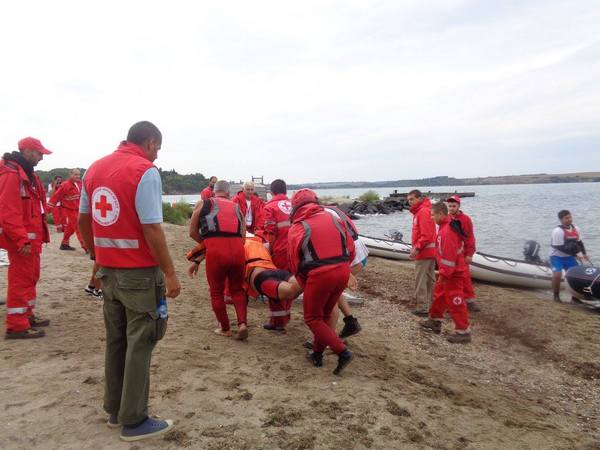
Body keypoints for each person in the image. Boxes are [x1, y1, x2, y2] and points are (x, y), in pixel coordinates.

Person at [78, 121, 181, 441]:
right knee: (141, 342)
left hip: (108, 272)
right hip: (138, 274)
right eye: (157, 149)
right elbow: (151, 228)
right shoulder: (144, 171)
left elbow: (83, 219)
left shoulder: (93, 169)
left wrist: (96, 255)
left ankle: (114, 409)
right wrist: (170, 272)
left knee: (117, 340)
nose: (156, 157)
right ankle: (134, 420)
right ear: (150, 143)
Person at [288, 189, 356, 375]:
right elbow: (350, 248)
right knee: (325, 315)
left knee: (312, 318)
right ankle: (317, 354)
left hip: (319, 275)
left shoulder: (298, 226)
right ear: (315, 201)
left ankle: (342, 352)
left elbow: (294, 262)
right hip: (341, 270)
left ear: (295, 207)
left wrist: (304, 282)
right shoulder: (333, 218)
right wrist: (344, 268)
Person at [186, 237, 303, 331]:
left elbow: (202, 249)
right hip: (276, 271)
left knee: (291, 292)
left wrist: (195, 260)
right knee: (303, 285)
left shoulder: (234, 242)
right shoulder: (258, 241)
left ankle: (227, 328)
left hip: (259, 276)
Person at [0, 137, 52, 339]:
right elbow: (7, 212)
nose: (41, 158)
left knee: (31, 277)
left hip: (31, 239)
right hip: (23, 240)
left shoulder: (28, 175)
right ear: (27, 151)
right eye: (39, 153)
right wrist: (22, 239)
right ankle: (17, 325)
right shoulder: (11, 175)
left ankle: (27, 315)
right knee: (21, 281)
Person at [189, 180, 248, 340]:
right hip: (238, 250)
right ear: (229, 193)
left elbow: (192, 232)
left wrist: (207, 244)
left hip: (216, 250)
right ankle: (242, 324)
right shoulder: (237, 207)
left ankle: (225, 328)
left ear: (213, 191)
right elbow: (243, 236)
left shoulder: (202, 204)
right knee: (237, 289)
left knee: (216, 292)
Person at [420, 202, 471, 344]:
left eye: (432, 215)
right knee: (439, 296)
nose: (431, 218)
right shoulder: (446, 227)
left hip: (453, 273)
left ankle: (463, 331)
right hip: (449, 271)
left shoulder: (447, 231)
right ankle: (435, 320)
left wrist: (443, 274)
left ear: (441, 214)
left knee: (455, 301)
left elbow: (449, 257)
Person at [323, 205, 366, 338]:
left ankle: (327, 339)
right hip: (361, 252)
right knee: (336, 291)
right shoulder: (329, 209)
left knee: (328, 295)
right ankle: (350, 322)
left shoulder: (322, 216)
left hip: (353, 257)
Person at [446, 195, 479, 312]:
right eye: (449, 206)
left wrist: (469, 254)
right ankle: (451, 301)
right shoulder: (446, 219)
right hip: (448, 256)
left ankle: (470, 301)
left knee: (465, 278)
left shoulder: (466, 219)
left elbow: (470, 238)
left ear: (459, 206)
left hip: (461, 255)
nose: (451, 208)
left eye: (454, 206)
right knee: (448, 278)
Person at [407, 189, 437, 317]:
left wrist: (416, 248)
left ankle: (423, 307)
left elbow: (426, 235)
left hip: (424, 252)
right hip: (430, 251)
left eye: (412, 199)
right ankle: (432, 305)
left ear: (419, 198)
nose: (410, 202)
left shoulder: (422, 212)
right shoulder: (423, 211)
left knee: (421, 280)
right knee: (430, 280)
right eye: (408, 200)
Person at [550, 210, 590, 302]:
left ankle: (575, 298)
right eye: (566, 218)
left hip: (569, 257)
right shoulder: (558, 231)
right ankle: (556, 296)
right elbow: (559, 247)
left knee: (577, 275)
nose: (569, 219)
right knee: (557, 275)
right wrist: (576, 254)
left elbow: (579, 242)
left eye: (570, 217)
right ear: (561, 220)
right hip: (556, 257)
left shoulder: (576, 228)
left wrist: (584, 254)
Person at [48, 168, 86, 251]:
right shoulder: (65, 185)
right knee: (79, 228)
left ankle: (64, 244)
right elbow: (55, 197)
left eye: (79, 174)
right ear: (70, 174)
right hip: (70, 210)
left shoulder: (80, 183)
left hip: (79, 209)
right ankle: (87, 248)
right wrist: (48, 209)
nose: (77, 176)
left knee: (70, 228)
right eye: (75, 174)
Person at [263, 179, 292, 270]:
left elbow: (271, 232)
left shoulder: (269, 207)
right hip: (297, 249)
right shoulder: (294, 204)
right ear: (286, 191)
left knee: (283, 279)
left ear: (271, 192)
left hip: (281, 251)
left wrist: (270, 249)